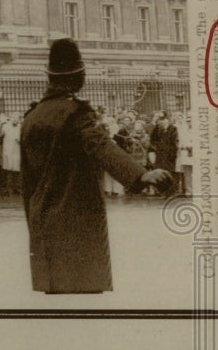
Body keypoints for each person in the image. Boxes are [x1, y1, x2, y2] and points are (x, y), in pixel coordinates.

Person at [21, 38, 172, 294]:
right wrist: (142, 175)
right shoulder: (76, 114)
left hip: (43, 222)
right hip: (77, 225)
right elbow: (102, 147)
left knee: (56, 303)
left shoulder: (31, 117)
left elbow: (28, 179)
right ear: (78, 76)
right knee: (82, 305)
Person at [148, 111, 179, 195]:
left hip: (169, 156)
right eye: (160, 120)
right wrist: (156, 127)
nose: (161, 122)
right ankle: (164, 191)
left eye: (163, 120)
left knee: (170, 173)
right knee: (161, 172)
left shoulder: (173, 129)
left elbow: (173, 143)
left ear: (167, 120)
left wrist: (172, 155)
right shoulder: (158, 129)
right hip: (160, 155)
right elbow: (152, 139)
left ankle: (171, 191)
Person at [0, 112, 22, 196]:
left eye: (17, 118)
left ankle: (18, 189)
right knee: (9, 170)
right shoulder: (6, 126)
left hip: (17, 151)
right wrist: (1, 123)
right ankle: (9, 190)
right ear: (11, 118)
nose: (15, 120)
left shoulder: (20, 127)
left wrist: (20, 140)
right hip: (8, 151)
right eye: (13, 118)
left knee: (17, 170)